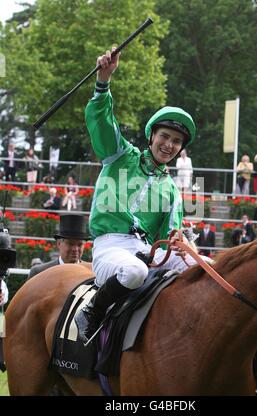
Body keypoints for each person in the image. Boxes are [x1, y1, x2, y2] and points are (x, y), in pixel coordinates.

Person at [75, 47, 208, 344]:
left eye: (176, 141)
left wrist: (181, 243)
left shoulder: (173, 190)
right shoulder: (120, 156)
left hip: (149, 250)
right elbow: (101, 121)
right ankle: (91, 312)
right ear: (151, 136)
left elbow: (172, 234)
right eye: (164, 137)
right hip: (111, 247)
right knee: (134, 271)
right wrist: (103, 81)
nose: (169, 145)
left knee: (206, 266)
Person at [28, 214, 89, 278]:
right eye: (70, 244)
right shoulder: (39, 272)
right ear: (59, 243)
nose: (75, 249)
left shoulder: (90, 272)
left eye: (80, 245)